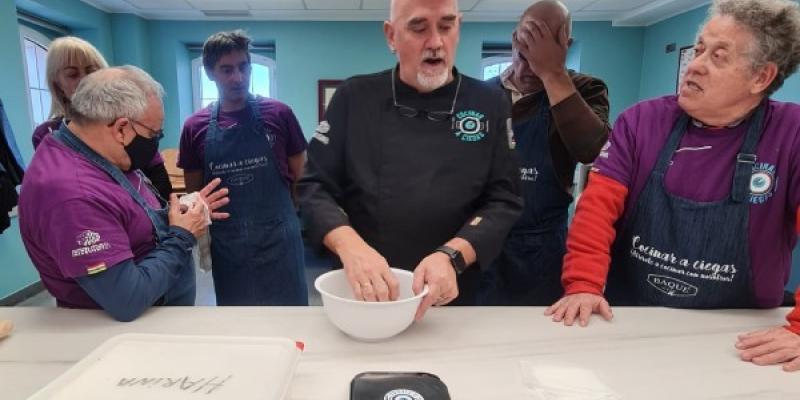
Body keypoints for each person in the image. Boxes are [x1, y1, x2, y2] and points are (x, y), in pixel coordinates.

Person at [545, 0, 800, 372]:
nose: (694, 65)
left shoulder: (792, 136)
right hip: (627, 316)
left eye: (718, 56)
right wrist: (583, 283)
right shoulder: (642, 122)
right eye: (698, 50)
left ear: (760, 77)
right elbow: (596, 208)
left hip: (739, 336)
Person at [298, 0, 522, 320]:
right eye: (419, 28)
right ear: (391, 35)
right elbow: (313, 186)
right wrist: (351, 247)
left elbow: (504, 199)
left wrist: (452, 256)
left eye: (446, 26)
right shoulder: (354, 97)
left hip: (450, 293)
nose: (435, 42)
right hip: (364, 291)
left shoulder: (489, 103)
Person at [18, 66, 229, 322]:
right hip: (127, 335)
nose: (156, 142)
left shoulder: (101, 151)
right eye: (154, 134)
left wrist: (181, 214)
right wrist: (182, 236)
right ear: (121, 129)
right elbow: (127, 299)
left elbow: (126, 218)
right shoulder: (75, 196)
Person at [480, 0, 609, 306]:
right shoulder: (481, 94)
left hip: (541, 250)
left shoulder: (586, 89)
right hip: (483, 243)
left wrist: (552, 73)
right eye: (523, 55)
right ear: (514, 40)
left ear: (566, 46)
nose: (528, 70)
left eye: (538, 60)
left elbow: (592, 150)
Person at [178, 30, 309, 306]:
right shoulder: (194, 127)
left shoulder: (280, 114)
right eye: (226, 70)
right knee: (238, 320)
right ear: (210, 72)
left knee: (292, 317)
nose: (237, 77)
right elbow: (195, 193)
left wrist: (287, 216)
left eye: (243, 67)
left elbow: (302, 175)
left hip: (280, 238)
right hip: (229, 244)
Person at [31, 36, 172, 200]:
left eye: (91, 71)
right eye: (72, 74)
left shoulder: (135, 130)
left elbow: (159, 182)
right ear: (58, 84)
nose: (85, 80)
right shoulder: (49, 137)